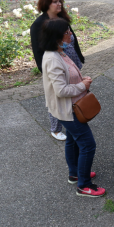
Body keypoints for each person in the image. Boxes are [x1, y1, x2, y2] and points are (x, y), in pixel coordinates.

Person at [41, 18, 105, 197]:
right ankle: (84, 185)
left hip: (70, 107)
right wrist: (82, 86)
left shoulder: (60, 51)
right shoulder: (53, 58)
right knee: (87, 144)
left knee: (72, 140)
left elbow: (69, 75)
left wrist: (81, 79)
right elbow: (61, 90)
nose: (71, 35)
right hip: (68, 109)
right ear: (57, 36)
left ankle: (75, 173)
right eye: (67, 32)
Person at [31, 0, 85, 141]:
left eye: (60, 0)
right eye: (55, 1)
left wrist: (79, 58)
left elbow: (73, 41)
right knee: (58, 96)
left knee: (75, 92)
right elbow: (38, 50)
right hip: (56, 65)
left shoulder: (62, 19)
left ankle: (78, 115)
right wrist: (45, 71)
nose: (59, 3)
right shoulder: (39, 25)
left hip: (72, 61)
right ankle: (56, 129)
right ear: (46, 4)